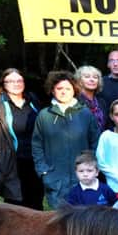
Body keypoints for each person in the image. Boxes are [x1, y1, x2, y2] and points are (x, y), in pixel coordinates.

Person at [32, 70, 100, 208]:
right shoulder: (44, 116)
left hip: (83, 179)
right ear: (52, 90)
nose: (64, 92)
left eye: (68, 88)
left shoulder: (85, 113)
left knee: (83, 223)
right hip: (56, 180)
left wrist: (90, 168)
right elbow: (36, 145)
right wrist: (44, 171)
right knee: (60, 224)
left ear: (74, 90)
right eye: (59, 88)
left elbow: (96, 142)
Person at [0, 68, 43, 209]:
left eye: (19, 80)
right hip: (12, 164)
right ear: (4, 83)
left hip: (35, 161)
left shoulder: (32, 100)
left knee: (36, 204)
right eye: (11, 81)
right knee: (15, 208)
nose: (16, 83)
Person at [75, 65, 106, 131]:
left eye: (95, 77)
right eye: (87, 77)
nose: (92, 80)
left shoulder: (102, 102)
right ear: (79, 81)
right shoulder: (75, 101)